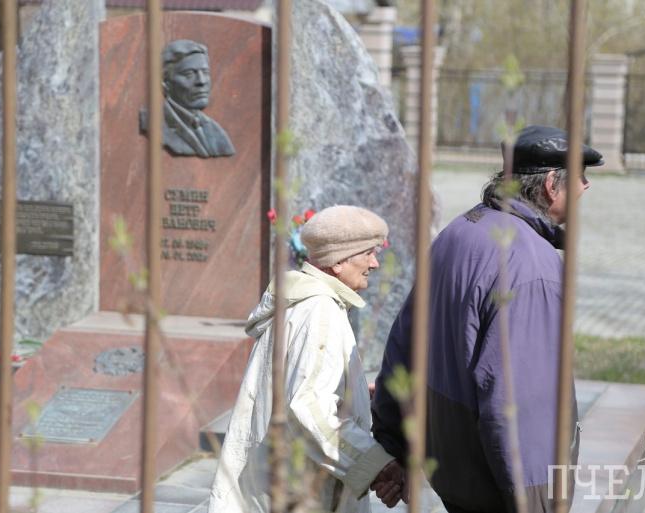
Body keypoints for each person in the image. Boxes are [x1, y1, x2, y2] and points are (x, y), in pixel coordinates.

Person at [371, 125, 604, 513]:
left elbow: (403, 345)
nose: (586, 185)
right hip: (496, 490)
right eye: (580, 176)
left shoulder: (459, 231)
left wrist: (392, 445)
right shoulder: (531, 266)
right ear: (551, 184)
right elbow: (516, 406)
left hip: (452, 474)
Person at [208, 205, 405, 513]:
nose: (375, 263)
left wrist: (354, 395)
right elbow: (308, 407)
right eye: (368, 253)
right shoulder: (319, 311)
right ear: (338, 262)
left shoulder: (307, 302)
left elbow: (298, 386)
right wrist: (377, 464)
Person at [159, 39, 235, 158]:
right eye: (189, 74)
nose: (201, 81)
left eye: (205, 73)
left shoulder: (216, 132)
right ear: (166, 84)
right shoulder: (153, 123)